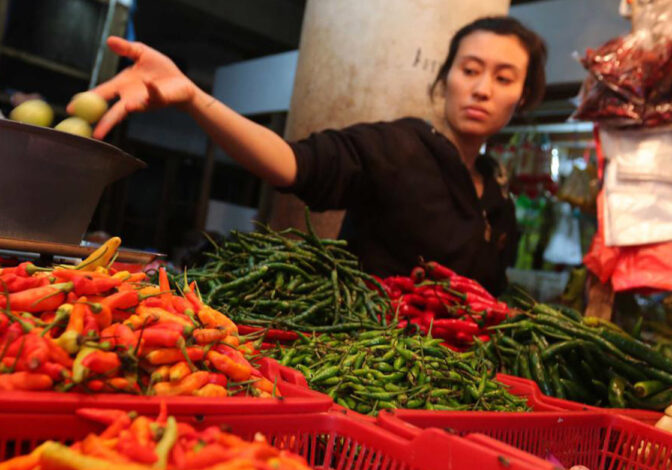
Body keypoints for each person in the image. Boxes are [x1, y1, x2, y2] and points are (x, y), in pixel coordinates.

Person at [77, 16, 547, 295]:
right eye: (469, 70)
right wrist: (195, 98)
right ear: (446, 79)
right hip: (367, 371)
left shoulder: (498, 198)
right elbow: (291, 164)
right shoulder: (398, 146)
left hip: (453, 387)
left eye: (504, 79)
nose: (482, 89)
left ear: (524, 97)